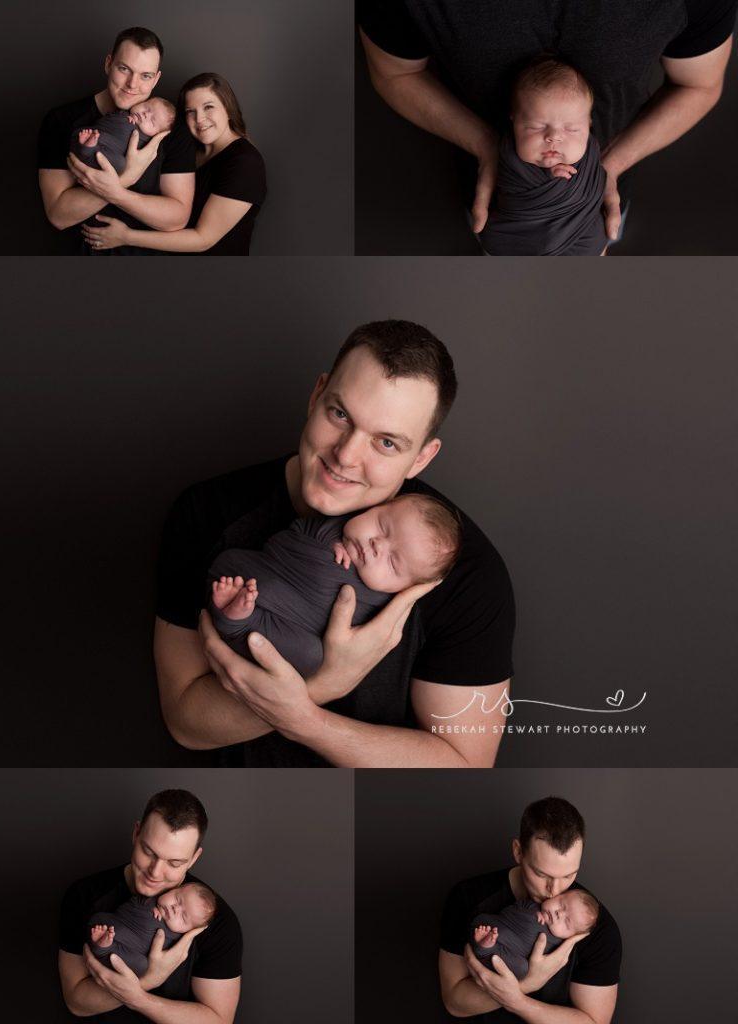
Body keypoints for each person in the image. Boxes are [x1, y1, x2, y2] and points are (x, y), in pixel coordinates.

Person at [154, 320, 515, 768]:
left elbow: (465, 762)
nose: (345, 456)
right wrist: (326, 681)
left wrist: (305, 718)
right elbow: (185, 722)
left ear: (421, 457)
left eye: (386, 442)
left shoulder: (464, 573)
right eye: (340, 415)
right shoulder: (207, 511)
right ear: (316, 395)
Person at [357, 0, 736, 244]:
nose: (554, 138)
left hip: (604, 190)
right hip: (487, 188)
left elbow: (699, 85)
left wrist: (610, 166)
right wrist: (485, 146)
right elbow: (394, 74)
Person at [208, 492, 461, 677]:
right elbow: (297, 530)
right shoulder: (334, 525)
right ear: (377, 505)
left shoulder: (383, 608)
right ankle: (233, 608)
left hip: (283, 628)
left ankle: (235, 622)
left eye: (393, 563)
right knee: (227, 561)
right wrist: (330, 542)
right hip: (258, 570)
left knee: (310, 657)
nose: (377, 545)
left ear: (403, 589)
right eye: (382, 526)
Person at [58, 789, 242, 1023]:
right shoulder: (84, 895)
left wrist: (139, 998)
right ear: (136, 834)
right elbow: (76, 1002)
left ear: (194, 858)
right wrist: (149, 979)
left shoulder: (215, 921)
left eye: (174, 863)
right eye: (148, 852)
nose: (155, 872)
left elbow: (219, 1020)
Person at [439, 797, 621, 1023]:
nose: (554, 891)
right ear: (518, 852)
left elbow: (593, 1022)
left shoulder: (593, 926)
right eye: (542, 874)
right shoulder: (468, 896)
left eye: (568, 875)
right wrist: (528, 983)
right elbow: (454, 1003)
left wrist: (518, 1000)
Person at [38, 26, 195, 255]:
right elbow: (58, 215)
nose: (132, 84)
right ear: (108, 63)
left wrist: (118, 194)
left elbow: (176, 219)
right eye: (124, 69)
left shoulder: (171, 129)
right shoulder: (61, 121)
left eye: (145, 76)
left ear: (156, 79)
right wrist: (127, 177)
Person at [82, 73, 267, 254]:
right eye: (190, 111)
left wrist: (127, 236)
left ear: (228, 109)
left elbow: (203, 239)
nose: (199, 119)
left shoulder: (245, 163)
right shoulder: (193, 150)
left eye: (208, 107)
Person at [479, 58, 606, 256]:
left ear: (589, 124)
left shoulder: (591, 151)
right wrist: (547, 178)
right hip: (516, 237)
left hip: (582, 236)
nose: (554, 137)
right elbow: (509, 185)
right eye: (536, 127)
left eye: (572, 129)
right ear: (513, 120)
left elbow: (594, 189)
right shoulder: (507, 154)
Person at [88, 882, 217, 976]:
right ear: (174, 888)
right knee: (98, 920)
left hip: (124, 951)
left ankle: (102, 949)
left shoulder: (178, 940)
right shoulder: (153, 895)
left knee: (141, 966)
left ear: (187, 931)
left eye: (183, 917)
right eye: (177, 899)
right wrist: (151, 904)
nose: (175, 909)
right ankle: (101, 941)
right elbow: (134, 901)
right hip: (112, 923)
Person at [470, 891, 600, 980]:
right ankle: (484, 942)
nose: (559, 913)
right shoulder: (534, 905)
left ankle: (484, 949)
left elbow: (543, 967)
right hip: (495, 924)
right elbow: (514, 907)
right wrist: (533, 911)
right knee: (479, 921)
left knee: (521, 969)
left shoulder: (558, 946)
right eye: (561, 903)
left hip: (504, 953)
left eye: (567, 922)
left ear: (570, 936)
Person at [71, 98, 176, 173]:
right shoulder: (124, 113)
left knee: (120, 165)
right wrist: (123, 116)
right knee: (83, 133)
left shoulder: (148, 143)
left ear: (157, 134)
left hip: (104, 154)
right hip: (93, 134)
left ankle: (87, 149)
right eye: (146, 107)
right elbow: (105, 120)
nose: (145, 114)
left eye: (152, 121)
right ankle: (86, 146)